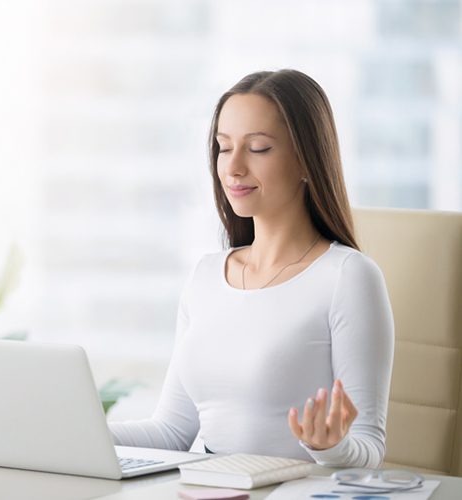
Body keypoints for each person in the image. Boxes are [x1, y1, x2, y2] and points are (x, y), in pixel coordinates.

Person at [109, 69, 394, 468]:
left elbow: (369, 448)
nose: (233, 167)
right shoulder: (205, 276)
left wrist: (331, 447)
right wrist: (78, 433)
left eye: (258, 148)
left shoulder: (348, 277)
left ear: (306, 160)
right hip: (210, 490)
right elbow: (171, 432)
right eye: (224, 148)